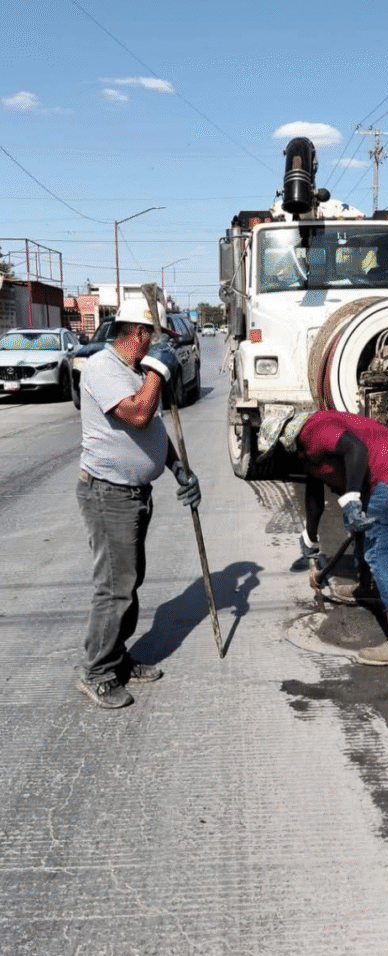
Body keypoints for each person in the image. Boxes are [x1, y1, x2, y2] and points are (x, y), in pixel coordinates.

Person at [76, 297, 201, 709]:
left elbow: (155, 431)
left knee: (129, 582)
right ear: (140, 332)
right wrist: (157, 370)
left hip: (134, 494)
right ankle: (96, 671)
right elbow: (136, 415)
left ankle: (117, 658)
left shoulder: (134, 371)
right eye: (152, 337)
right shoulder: (101, 368)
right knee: (115, 588)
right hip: (108, 493)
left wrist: (178, 467)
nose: (153, 346)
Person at [257, 407, 388, 666]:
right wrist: (310, 538)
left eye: (275, 455)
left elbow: (356, 449)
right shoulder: (306, 452)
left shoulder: (314, 429)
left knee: (380, 552)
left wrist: (351, 498)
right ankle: (366, 587)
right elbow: (314, 492)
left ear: (286, 441)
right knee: (361, 529)